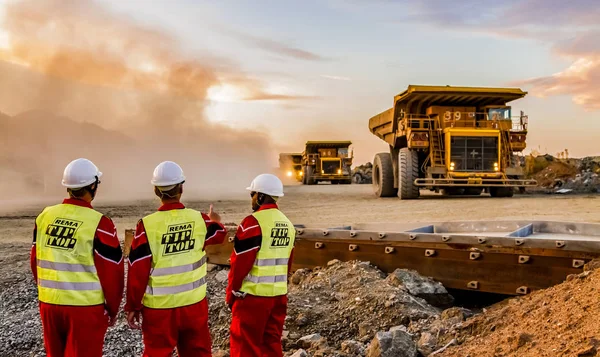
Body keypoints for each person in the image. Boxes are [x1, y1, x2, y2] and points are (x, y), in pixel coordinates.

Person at [125, 161, 227, 357]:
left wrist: (133, 305)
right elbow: (219, 234)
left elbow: (137, 269)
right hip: (193, 305)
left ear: (156, 190)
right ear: (181, 188)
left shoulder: (147, 226)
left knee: (156, 352)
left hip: (159, 309)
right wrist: (215, 219)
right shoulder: (199, 220)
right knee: (198, 352)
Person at [31, 158, 124, 357]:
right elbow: (112, 273)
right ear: (92, 185)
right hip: (84, 309)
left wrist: (45, 294)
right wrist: (112, 309)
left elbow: (35, 261)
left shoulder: (45, 216)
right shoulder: (100, 223)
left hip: (49, 305)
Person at [227, 173, 296, 357]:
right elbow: (287, 263)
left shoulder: (252, 223)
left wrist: (231, 294)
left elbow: (239, 264)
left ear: (261, 196)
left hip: (253, 298)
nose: (251, 199)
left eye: (253, 195)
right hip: (278, 296)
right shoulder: (287, 225)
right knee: (271, 346)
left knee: (245, 347)